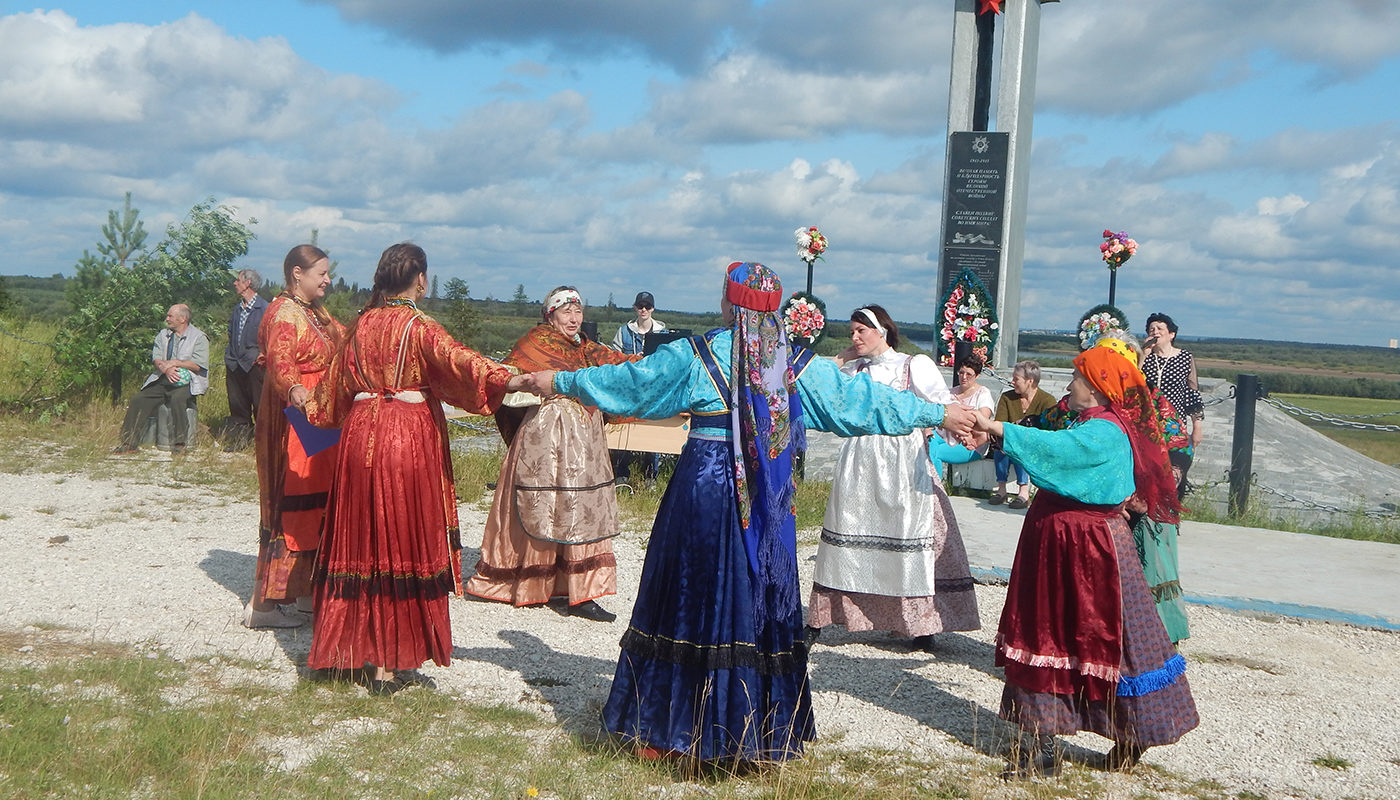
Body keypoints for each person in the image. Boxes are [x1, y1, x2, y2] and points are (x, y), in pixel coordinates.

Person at [522, 261, 977, 765]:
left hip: (705, 489)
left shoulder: (697, 355)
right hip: (766, 499)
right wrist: (938, 411)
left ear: (729, 301)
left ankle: (673, 727)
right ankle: (753, 732)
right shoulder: (794, 365)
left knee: (692, 594)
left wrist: (558, 381)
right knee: (755, 595)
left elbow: (632, 383)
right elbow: (862, 403)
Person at [305, 243, 530, 693]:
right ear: (421, 279)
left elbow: (329, 394)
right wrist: (511, 377)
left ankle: (346, 650)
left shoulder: (358, 326)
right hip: (404, 439)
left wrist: (300, 399)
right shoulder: (419, 326)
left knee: (361, 537)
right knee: (399, 538)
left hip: (358, 434)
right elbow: (462, 364)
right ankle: (390, 663)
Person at [970, 338, 1198, 778]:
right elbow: (1054, 446)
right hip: (1064, 540)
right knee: (1048, 633)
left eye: (1077, 377)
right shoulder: (1093, 422)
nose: (1070, 384)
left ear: (1097, 386)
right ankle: (1043, 741)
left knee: (1113, 638)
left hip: (1090, 547)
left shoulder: (1106, 430)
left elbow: (1058, 453)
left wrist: (998, 428)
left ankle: (1130, 734)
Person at [807, 304, 981, 651]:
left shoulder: (912, 364)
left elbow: (941, 404)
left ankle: (918, 624)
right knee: (851, 529)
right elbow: (817, 380)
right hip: (860, 459)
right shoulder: (855, 369)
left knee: (908, 532)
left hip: (903, 459)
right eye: (851, 332)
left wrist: (965, 431)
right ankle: (826, 617)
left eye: (861, 331)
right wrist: (843, 356)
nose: (855, 338)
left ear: (882, 331)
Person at [464, 286, 640, 623]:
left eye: (578, 311)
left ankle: (581, 591)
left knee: (580, 508)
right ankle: (529, 582)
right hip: (545, 437)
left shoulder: (588, 350)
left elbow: (621, 367)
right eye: (566, 311)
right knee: (541, 505)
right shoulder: (535, 343)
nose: (574, 318)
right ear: (551, 314)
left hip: (585, 439)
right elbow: (506, 379)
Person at [245, 246, 344, 629]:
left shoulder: (314, 312)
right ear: (297, 273)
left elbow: (345, 337)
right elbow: (281, 361)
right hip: (296, 417)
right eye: (321, 273)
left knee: (318, 501)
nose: (328, 280)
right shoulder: (284, 313)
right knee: (294, 502)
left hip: (318, 417)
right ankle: (264, 605)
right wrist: (296, 391)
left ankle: (306, 593)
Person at [113, 304, 209, 454]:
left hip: (188, 381)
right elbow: (156, 358)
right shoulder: (163, 335)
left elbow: (199, 365)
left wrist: (176, 363)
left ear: (182, 319)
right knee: (139, 399)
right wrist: (166, 368)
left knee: (178, 399)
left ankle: (180, 444)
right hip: (163, 377)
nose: (167, 319)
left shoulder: (199, 337)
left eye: (170, 316)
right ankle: (129, 443)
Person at [1142, 313, 1204, 498]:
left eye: (1160, 329)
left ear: (1171, 334)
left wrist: (1197, 426)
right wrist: (1143, 354)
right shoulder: (1144, 358)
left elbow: (1192, 392)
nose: (1155, 332)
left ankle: (1172, 508)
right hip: (1147, 423)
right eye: (1152, 329)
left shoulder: (1184, 358)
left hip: (1174, 425)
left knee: (1174, 469)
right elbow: (1132, 380)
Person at [990, 361, 1057, 509]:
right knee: (1004, 444)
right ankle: (1001, 489)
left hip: (1034, 445)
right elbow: (999, 422)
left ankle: (1024, 492)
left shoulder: (1047, 401)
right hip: (1008, 441)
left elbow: (1049, 429)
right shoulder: (1007, 398)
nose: (1012, 382)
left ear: (1030, 381)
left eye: (1016, 379)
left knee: (1020, 444)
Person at [223, 268, 269, 451]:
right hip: (234, 363)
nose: (235, 283)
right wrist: (229, 355)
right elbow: (231, 333)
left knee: (260, 406)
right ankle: (240, 441)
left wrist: (263, 353)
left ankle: (263, 445)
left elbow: (271, 335)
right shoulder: (238, 308)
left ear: (248, 283)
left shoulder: (264, 308)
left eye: (238, 280)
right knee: (237, 405)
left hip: (254, 365)